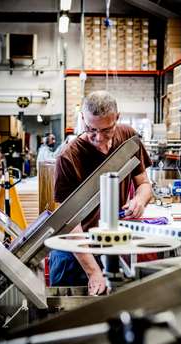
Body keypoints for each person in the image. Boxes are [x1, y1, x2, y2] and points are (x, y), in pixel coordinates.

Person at [49, 90, 153, 295]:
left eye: (106, 130)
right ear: (83, 120)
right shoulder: (68, 158)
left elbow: (144, 184)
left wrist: (140, 200)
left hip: (110, 244)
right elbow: (69, 223)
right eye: (90, 129)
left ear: (117, 118)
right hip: (76, 251)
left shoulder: (128, 138)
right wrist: (93, 271)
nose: (98, 137)